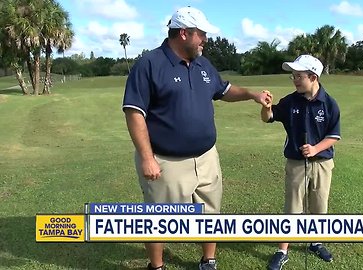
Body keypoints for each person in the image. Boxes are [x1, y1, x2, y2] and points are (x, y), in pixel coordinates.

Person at [122, 6, 271, 270]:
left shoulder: (202, 63)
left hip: (206, 158)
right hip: (166, 162)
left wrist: (251, 95)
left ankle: (208, 260)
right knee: (158, 220)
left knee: (210, 212)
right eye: (200, 34)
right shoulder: (150, 64)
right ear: (183, 33)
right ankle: (156, 266)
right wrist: (147, 158)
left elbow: (223, 90)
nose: (205, 40)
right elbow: (134, 113)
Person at [260, 55, 341, 270]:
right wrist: (267, 107)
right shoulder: (290, 101)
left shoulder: (329, 104)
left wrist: (315, 148)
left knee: (319, 205)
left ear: (313, 77)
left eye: (299, 76)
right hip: (296, 163)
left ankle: (315, 242)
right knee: (292, 207)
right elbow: (268, 117)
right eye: (293, 76)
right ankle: (282, 250)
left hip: (323, 163)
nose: (295, 80)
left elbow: (334, 136)